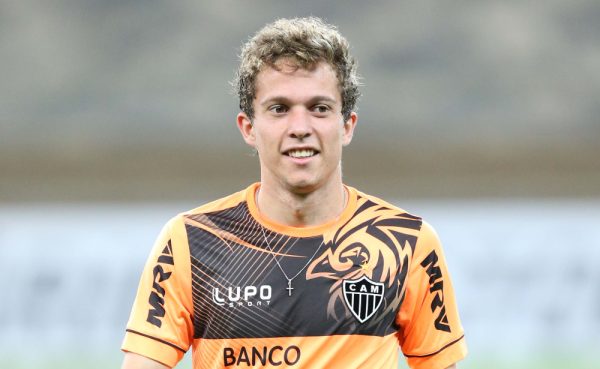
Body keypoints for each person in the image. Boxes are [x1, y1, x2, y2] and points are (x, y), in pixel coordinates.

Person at [121, 17, 467, 369]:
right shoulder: (190, 242)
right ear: (249, 128)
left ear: (347, 126)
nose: (300, 128)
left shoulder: (407, 242)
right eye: (279, 109)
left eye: (319, 108)